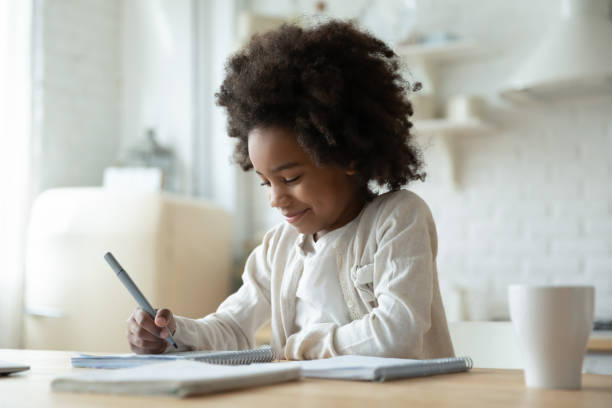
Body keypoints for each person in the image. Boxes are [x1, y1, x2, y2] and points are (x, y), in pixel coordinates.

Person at [126, 20, 454, 360]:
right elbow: (232, 327)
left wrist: (295, 348)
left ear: (347, 156)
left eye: (291, 178)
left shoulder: (398, 218)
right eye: (265, 182)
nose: (275, 199)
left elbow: (396, 334)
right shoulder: (277, 248)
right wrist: (173, 332)